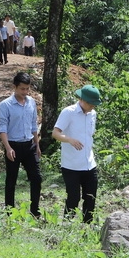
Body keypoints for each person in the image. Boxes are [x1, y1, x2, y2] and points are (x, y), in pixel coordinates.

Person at [53, 85, 101, 223]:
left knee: (90, 197)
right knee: (73, 198)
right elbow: (55, 133)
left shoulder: (93, 114)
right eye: (91, 103)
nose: (93, 107)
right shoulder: (69, 112)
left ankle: (88, 225)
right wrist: (69, 139)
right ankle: (67, 225)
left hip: (89, 163)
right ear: (82, 100)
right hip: (71, 165)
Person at [0, 72, 42, 218]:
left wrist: (37, 144)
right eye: (22, 89)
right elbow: (2, 128)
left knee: (36, 178)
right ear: (14, 87)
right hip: (13, 146)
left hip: (29, 144)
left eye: (27, 89)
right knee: (11, 180)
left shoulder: (31, 102)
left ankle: (35, 211)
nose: (25, 92)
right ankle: (9, 212)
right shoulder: (5, 105)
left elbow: (33, 124)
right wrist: (8, 148)